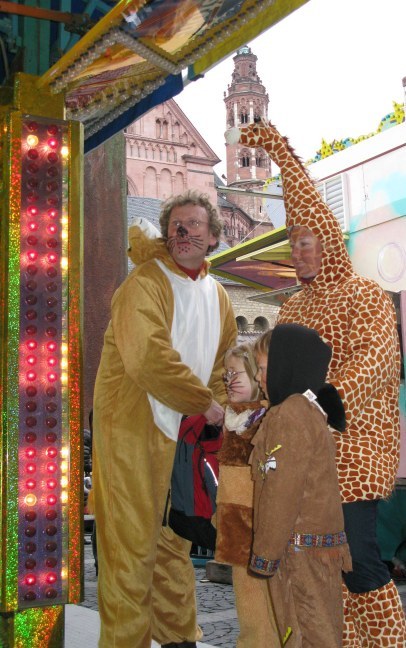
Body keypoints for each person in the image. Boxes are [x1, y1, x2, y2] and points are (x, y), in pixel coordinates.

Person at [226, 119, 406, 645]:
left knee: (358, 563)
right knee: (311, 565)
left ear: (328, 243)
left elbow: (374, 363)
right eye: (293, 243)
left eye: (307, 242)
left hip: (349, 454)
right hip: (299, 454)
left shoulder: (367, 296)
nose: (299, 252)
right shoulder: (293, 306)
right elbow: (272, 369)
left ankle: (386, 641)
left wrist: (316, 401)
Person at [92, 189, 237, 647]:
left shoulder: (219, 297)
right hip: (133, 433)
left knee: (174, 544)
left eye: (195, 224)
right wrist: (204, 403)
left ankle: (178, 639)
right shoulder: (145, 283)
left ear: (214, 236)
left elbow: (223, 367)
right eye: (176, 224)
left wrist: (216, 415)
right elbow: (148, 357)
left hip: (183, 440)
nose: (183, 231)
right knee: (129, 551)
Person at [249, 323, 351, 648]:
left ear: (285, 365)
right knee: (323, 631)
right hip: (318, 551)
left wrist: (264, 556)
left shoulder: (287, 416)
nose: (258, 378)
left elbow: (281, 492)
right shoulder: (308, 410)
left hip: (298, 554)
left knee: (303, 634)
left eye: (263, 369)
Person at [214, 336, 280, 647]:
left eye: (235, 373)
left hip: (258, 522)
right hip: (234, 521)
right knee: (246, 601)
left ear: (255, 373)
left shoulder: (265, 417)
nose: (229, 380)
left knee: (264, 600)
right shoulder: (232, 417)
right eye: (226, 374)